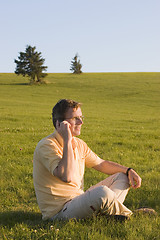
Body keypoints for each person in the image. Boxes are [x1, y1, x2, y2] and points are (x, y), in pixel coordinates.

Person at [33, 99, 142, 221]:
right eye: (75, 118)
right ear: (60, 124)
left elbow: (101, 164)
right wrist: (67, 140)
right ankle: (129, 215)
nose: (81, 122)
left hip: (78, 200)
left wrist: (128, 170)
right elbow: (66, 176)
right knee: (102, 193)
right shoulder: (47, 145)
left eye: (81, 117)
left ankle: (110, 213)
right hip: (60, 212)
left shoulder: (79, 144)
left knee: (121, 177)